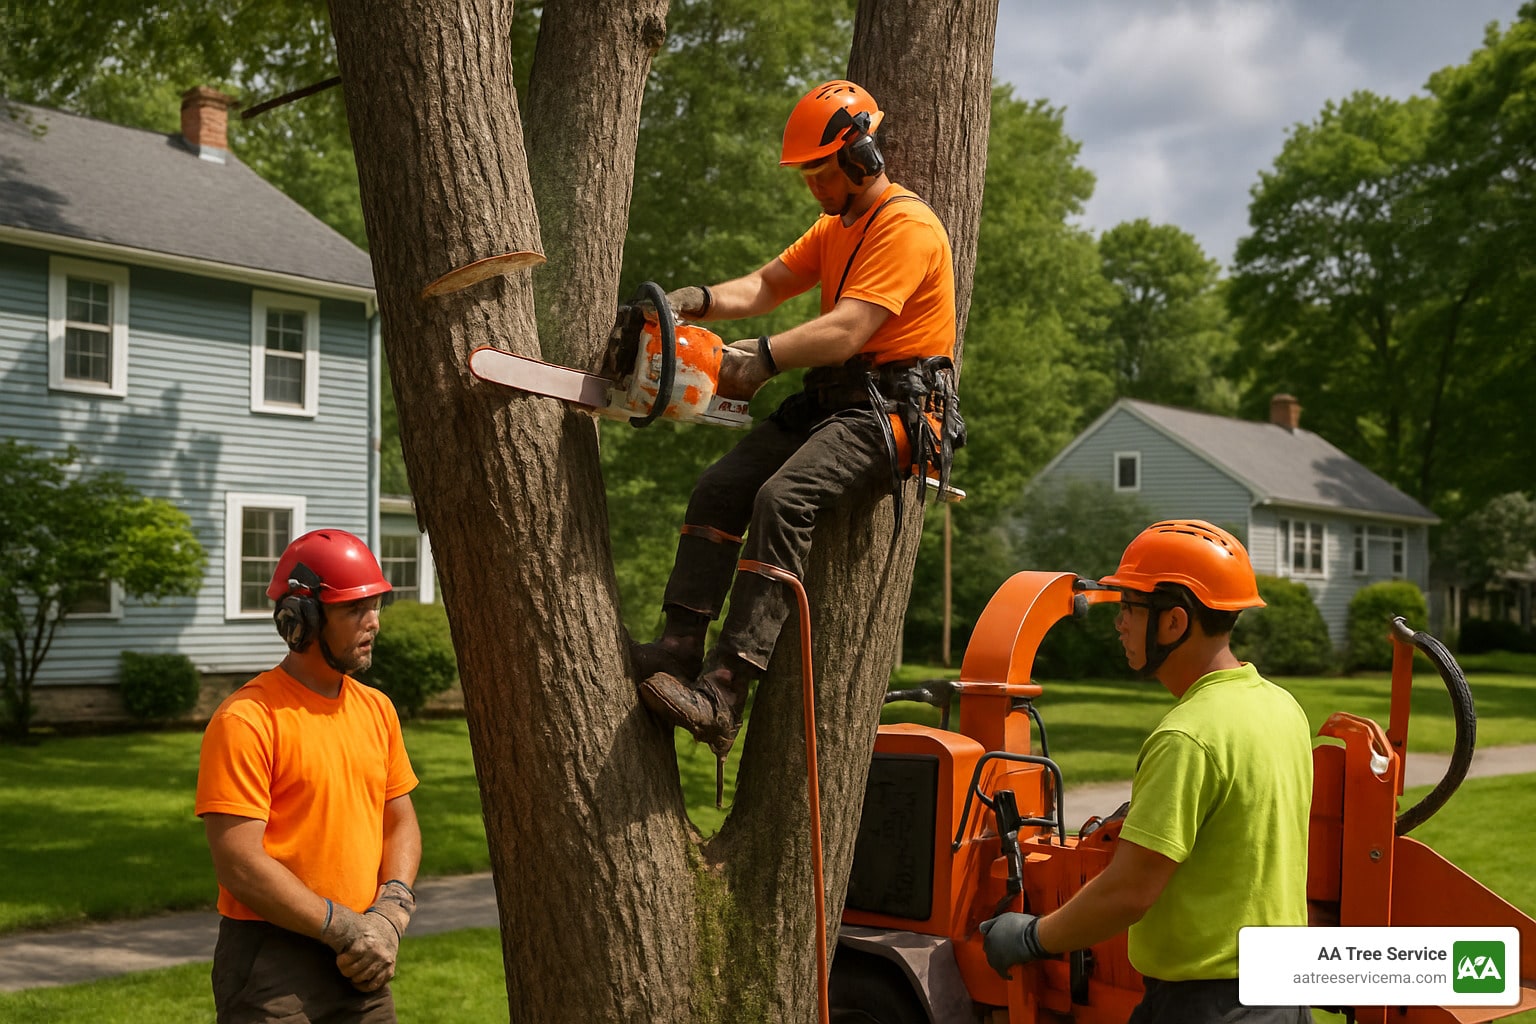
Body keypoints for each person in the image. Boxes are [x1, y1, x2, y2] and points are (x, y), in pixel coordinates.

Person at [633, 79, 961, 771]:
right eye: (807, 174)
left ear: (863, 155)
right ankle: (679, 648)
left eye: (822, 172)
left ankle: (725, 692)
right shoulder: (834, 226)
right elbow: (768, 284)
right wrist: (697, 301)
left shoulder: (906, 227)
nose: (814, 186)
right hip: (837, 397)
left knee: (782, 499)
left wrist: (764, 359)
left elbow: (848, 329)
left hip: (894, 412)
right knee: (720, 486)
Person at [980, 520, 1313, 1024]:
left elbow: (1129, 892)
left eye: (1130, 608)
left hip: (1206, 1007)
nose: (1119, 624)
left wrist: (1031, 936)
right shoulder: (1282, 707)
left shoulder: (1187, 736)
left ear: (1174, 622)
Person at [195, 528, 421, 1024]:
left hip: (363, 960)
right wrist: (345, 929)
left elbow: (400, 821)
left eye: (376, 605)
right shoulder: (247, 720)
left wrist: (391, 912)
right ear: (300, 619)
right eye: (354, 609)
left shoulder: (377, 710)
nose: (373, 622)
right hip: (272, 965)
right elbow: (239, 863)